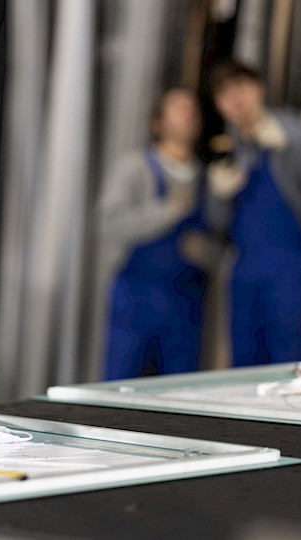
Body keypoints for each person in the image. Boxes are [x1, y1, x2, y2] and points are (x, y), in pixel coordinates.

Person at [206, 61, 301, 367]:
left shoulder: (288, 129)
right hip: (244, 271)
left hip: (290, 269)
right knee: (245, 368)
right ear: (218, 105)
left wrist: (289, 147)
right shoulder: (228, 148)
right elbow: (216, 223)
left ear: (259, 89)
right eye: (225, 93)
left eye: (241, 87)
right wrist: (217, 196)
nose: (235, 98)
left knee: (293, 366)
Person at [100, 88, 209, 380]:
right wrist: (166, 212)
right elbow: (109, 224)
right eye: (178, 108)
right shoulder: (134, 168)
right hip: (136, 296)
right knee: (120, 382)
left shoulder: (208, 178)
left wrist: (206, 251)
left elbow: (224, 241)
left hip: (185, 299)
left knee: (180, 387)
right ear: (158, 123)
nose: (188, 114)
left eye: (192, 109)